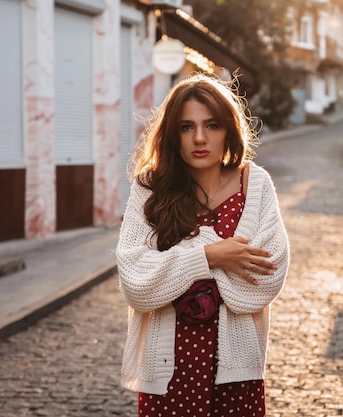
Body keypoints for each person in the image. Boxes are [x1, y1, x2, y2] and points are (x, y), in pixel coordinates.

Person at [116, 72, 290, 417]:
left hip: (236, 374)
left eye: (211, 125)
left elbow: (266, 279)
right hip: (167, 374)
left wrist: (170, 270)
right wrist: (213, 255)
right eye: (186, 127)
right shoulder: (151, 189)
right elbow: (135, 281)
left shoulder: (255, 186)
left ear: (228, 129)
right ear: (172, 134)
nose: (199, 138)